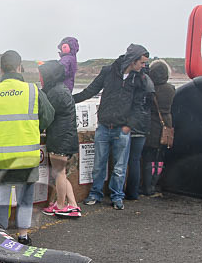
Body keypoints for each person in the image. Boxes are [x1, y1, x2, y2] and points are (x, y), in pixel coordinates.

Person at [0, 50, 55, 245]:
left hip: (1, 157)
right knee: (25, 198)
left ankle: (1, 237)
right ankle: (23, 235)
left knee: (2, 199)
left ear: (0, 69)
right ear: (20, 67)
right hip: (26, 156)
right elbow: (48, 116)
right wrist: (31, 128)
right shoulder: (32, 90)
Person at [74, 44, 150, 210]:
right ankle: (95, 194)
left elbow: (139, 106)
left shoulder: (139, 79)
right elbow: (91, 90)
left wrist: (128, 126)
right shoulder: (108, 71)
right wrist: (70, 100)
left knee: (120, 167)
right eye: (142, 62)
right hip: (104, 126)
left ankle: (117, 196)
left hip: (122, 128)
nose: (144, 66)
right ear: (133, 60)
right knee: (98, 165)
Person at [38, 61, 81, 218]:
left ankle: (61, 206)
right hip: (66, 138)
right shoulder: (60, 90)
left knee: (59, 173)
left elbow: (46, 115)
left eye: (41, 75)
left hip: (59, 139)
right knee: (61, 173)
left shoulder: (56, 93)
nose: (40, 78)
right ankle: (73, 205)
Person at [142, 59, 175, 196]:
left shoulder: (149, 88)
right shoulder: (171, 89)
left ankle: (147, 187)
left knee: (148, 157)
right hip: (166, 125)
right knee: (160, 157)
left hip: (152, 123)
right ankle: (155, 185)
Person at [124, 65, 154, 200]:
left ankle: (125, 191)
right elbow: (148, 105)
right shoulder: (149, 82)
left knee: (125, 160)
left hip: (132, 124)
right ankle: (133, 192)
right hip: (143, 125)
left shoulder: (135, 80)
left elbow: (132, 104)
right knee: (135, 160)